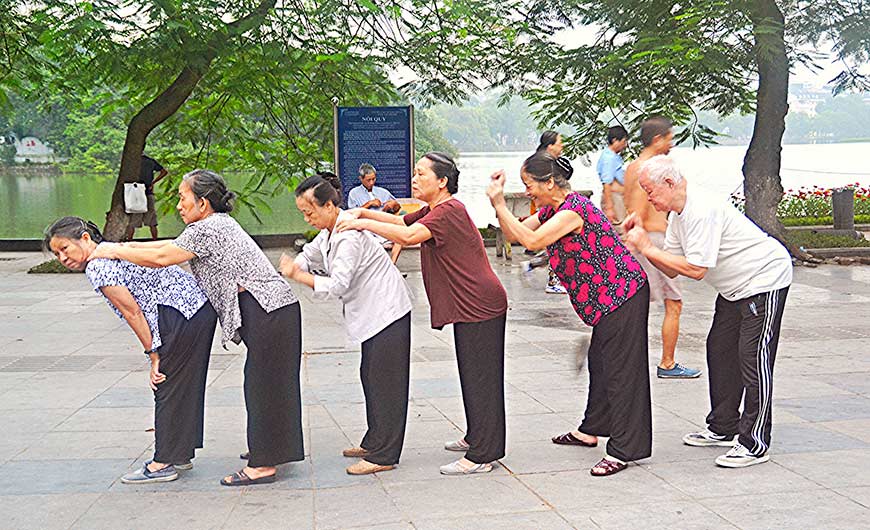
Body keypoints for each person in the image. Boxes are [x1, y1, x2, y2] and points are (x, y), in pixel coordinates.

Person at [89, 169, 304, 486]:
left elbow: (162, 256)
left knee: (262, 385)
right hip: (273, 309)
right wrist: (114, 247)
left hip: (267, 309)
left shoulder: (210, 227)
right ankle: (273, 449)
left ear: (202, 203)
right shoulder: (208, 227)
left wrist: (113, 249)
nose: (178, 204)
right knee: (272, 383)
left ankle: (263, 465)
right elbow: (164, 247)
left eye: (182, 197)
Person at [337, 152, 508, 476]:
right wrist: (361, 211)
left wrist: (359, 221)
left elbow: (408, 237)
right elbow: (402, 222)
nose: (414, 179)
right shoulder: (436, 210)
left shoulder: (449, 212)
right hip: (470, 306)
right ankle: (477, 437)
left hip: (481, 305)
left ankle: (483, 454)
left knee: (483, 379)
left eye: (420, 174)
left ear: (442, 182)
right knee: (473, 377)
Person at [487, 151, 652, 477]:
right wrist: (500, 207)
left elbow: (532, 241)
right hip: (604, 302)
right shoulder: (553, 209)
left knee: (622, 373)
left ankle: (623, 449)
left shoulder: (573, 211)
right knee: (601, 365)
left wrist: (500, 205)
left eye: (529, 184)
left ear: (549, 182)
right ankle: (591, 428)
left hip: (623, 295)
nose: (527, 192)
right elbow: (514, 235)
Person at [623, 155, 792, 468]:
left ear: (670, 183)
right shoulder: (678, 215)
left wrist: (647, 247)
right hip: (733, 287)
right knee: (719, 349)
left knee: (753, 358)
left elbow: (696, 269)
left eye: (650, 191)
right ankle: (723, 425)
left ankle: (754, 443)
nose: (648, 198)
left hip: (764, 278)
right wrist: (644, 246)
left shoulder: (701, 209)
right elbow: (671, 269)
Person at [46, 216, 216, 484]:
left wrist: (154, 355)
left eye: (65, 248)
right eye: (56, 253)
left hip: (177, 314)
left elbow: (132, 312)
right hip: (197, 309)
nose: (61, 258)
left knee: (166, 383)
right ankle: (180, 453)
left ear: (85, 239)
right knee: (183, 383)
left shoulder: (97, 266)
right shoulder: (111, 250)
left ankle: (163, 463)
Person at [282, 174, 412, 475]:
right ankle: (374, 441)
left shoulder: (347, 235)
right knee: (370, 376)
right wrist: (293, 266)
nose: (307, 217)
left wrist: (297, 275)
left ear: (329, 205)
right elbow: (309, 254)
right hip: (372, 315)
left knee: (387, 384)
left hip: (387, 312)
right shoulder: (329, 231)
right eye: (303, 212)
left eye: (310, 211)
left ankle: (385, 455)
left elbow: (338, 285)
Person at [623, 117, 699, 379]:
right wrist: (640, 244)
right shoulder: (649, 170)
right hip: (654, 239)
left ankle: (639, 360)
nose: (672, 143)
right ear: (657, 140)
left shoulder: (634, 167)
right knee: (673, 303)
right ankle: (667, 363)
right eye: (669, 138)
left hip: (651, 238)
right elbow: (636, 211)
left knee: (644, 302)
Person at [347, 163, 404, 263]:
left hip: (384, 225)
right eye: (368, 180)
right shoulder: (354, 193)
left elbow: (397, 208)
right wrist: (369, 204)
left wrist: (393, 205)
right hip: (367, 229)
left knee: (400, 237)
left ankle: (392, 265)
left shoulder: (383, 192)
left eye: (374, 179)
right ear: (361, 178)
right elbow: (351, 214)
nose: (372, 182)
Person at [535, 131, 568, 295]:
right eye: (559, 143)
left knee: (557, 243)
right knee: (555, 243)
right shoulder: (543, 163)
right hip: (550, 207)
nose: (562, 147)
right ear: (550, 146)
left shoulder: (550, 161)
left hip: (553, 207)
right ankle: (553, 280)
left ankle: (556, 278)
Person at [126, 153, 169, 241]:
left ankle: (129, 241)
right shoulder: (150, 161)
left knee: (132, 221)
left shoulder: (133, 162)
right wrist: (153, 183)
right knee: (152, 221)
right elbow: (164, 171)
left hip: (135, 194)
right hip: (148, 192)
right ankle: (155, 241)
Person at [596, 125, 628, 226]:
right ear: (615, 140)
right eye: (623, 141)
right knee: (620, 228)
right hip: (614, 198)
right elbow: (607, 183)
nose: (625, 145)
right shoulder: (608, 158)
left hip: (619, 197)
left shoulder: (613, 156)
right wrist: (609, 207)